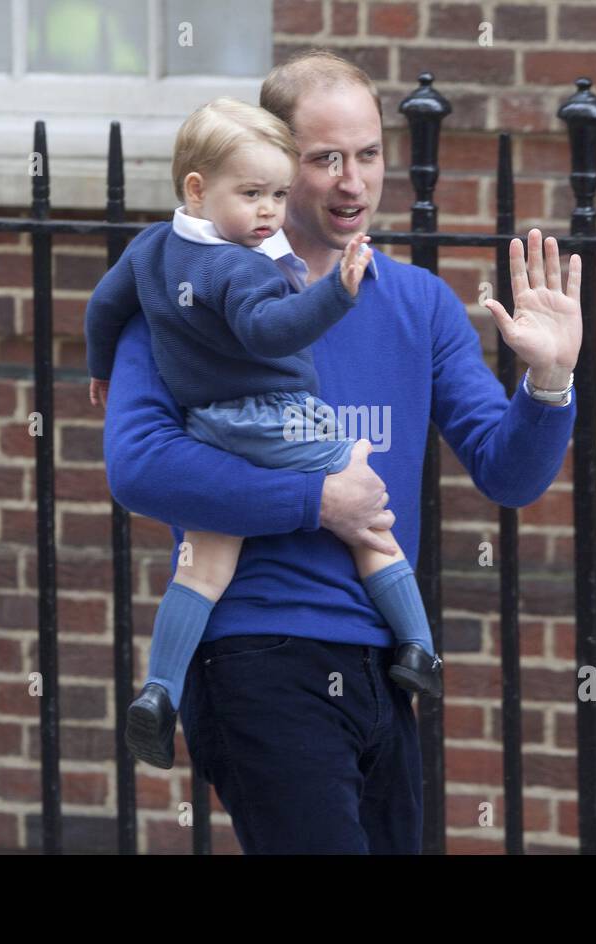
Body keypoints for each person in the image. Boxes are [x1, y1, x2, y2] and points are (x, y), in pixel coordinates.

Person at [101, 49, 582, 854]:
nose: (353, 181)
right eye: (325, 159)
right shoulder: (185, 295)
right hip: (255, 654)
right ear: (273, 163)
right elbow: (139, 467)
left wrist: (551, 380)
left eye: (368, 154)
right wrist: (317, 502)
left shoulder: (420, 303)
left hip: (384, 668)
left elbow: (509, 474)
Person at [85, 97, 443, 771]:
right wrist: (335, 292)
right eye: (252, 194)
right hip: (278, 418)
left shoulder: (150, 250)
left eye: (277, 194)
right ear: (197, 188)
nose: (269, 212)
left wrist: (100, 368)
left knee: (205, 563)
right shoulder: (239, 265)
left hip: (210, 427)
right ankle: (420, 649)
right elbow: (268, 330)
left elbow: (104, 307)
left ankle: (159, 690)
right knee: (368, 515)